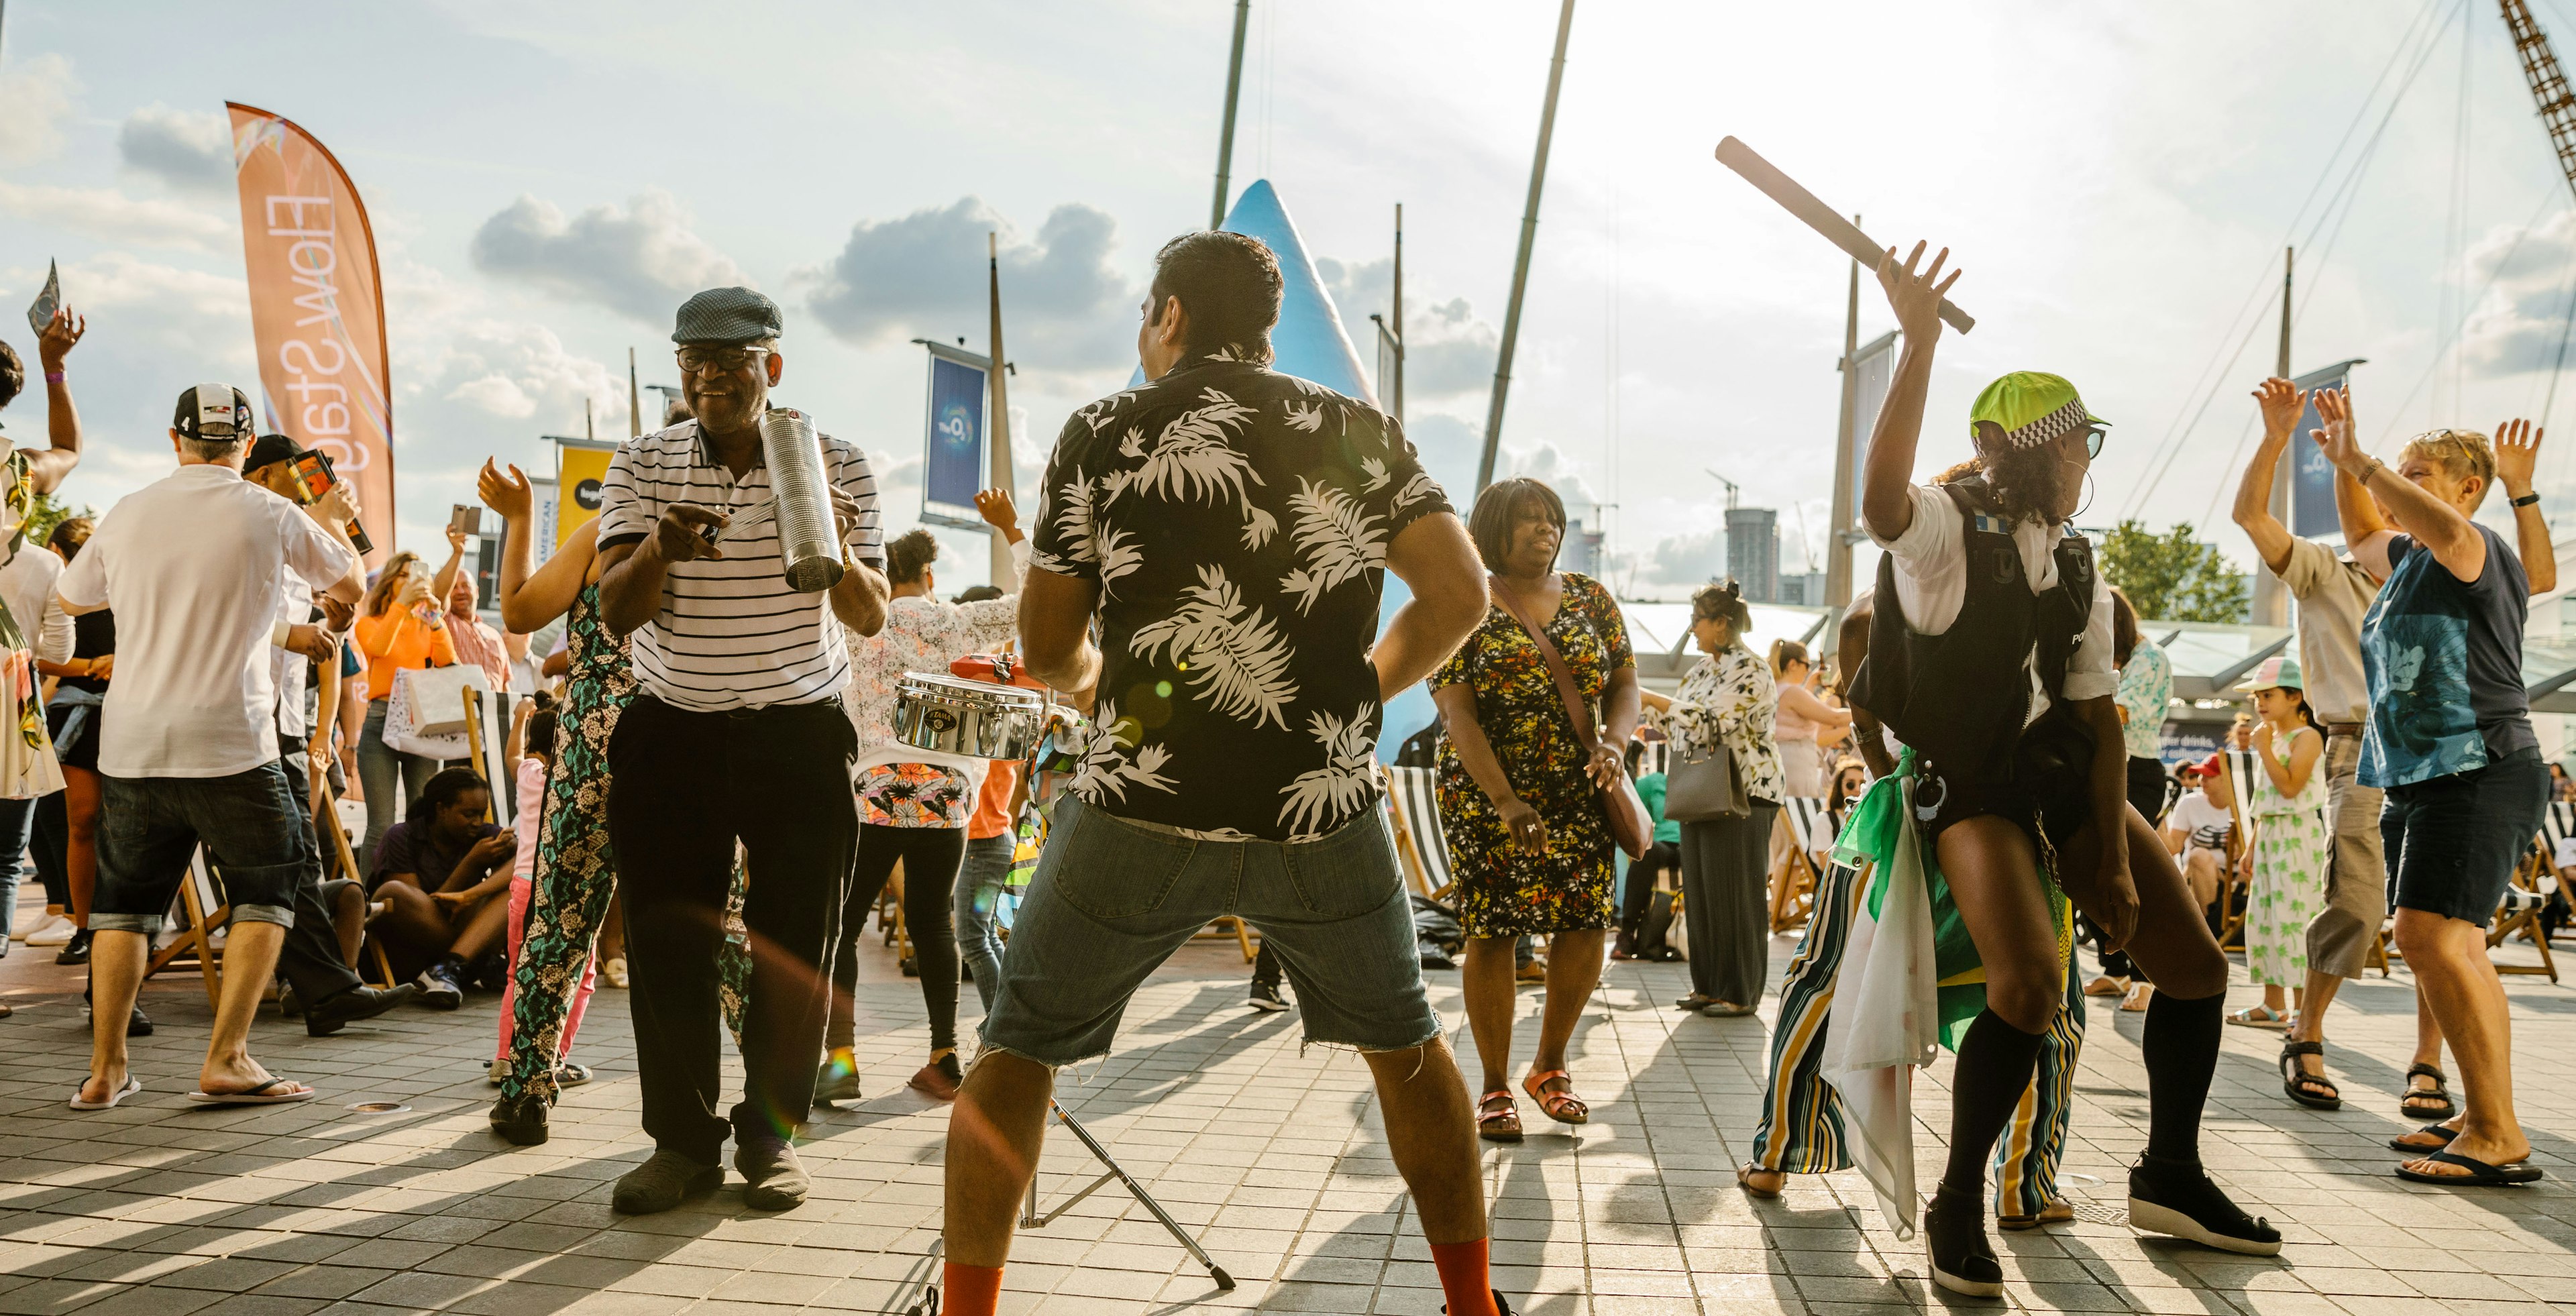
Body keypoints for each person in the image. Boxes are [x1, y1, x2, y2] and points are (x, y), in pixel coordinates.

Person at [943, 229, 1509, 1316]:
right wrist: (1354, 695)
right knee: (1404, 1045)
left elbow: (1051, 642)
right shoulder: (1355, 426)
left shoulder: (1105, 431)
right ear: (1263, 324)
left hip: (1139, 807)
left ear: (1168, 316)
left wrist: (1102, 680)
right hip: (1322, 806)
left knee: (1016, 1052)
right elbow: (1459, 596)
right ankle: (1472, 1305)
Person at [1847, 245, 2273, 1294]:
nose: (2090, 456)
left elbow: (2100, 716)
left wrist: (2117, 859)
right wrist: (1918, 344)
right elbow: (1881, 499)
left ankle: (2169, 1174)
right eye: (2080, 439)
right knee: (2031, 986)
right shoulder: (1946, 531)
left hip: (2057, 775)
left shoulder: (2078, 558)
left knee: (2198, 968)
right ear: (2041, 447)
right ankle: (1957, 1201)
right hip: (1969, 786)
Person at [592, 286, 888, 1215]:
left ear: (774, 364)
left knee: (796, 942)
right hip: (673, 725)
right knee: (669, 939)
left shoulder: (833, 460)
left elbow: (870, 616)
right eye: (694, 362)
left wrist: (833, 538)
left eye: (731, 361)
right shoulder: (644, 463)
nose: (710, 378)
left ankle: (771, 1139)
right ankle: (681, 1143)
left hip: (798, 728)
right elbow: (613, 611)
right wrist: (662, 551)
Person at [1741, 592, 2089, 1232]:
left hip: (1907, 808)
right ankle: (2024, 1184)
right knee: (2049, 996)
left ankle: (1779, 1151)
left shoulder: (1883, 605)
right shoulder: (2038, 596)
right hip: (2011, 818)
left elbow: (1863, 707)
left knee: (1824, 978)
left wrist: (1893, 780)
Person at [60, 382, 364, 1111]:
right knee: (267, 889)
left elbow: (73, 596)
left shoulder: (130, 510)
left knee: (123, 909)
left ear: (176, 440)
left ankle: (106, 1072)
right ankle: (227, 1056)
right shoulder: (269, 510)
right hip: (234, 739)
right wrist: (336, 520)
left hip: (133, 739)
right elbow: (349, 578)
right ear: (248, 447)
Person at [2313, 390, 2554, 1186]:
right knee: (2449, 946)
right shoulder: (2412, 561)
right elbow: (2358, 532)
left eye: (2418, 474)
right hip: (2427, 776)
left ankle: (2496, 1132)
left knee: (2430, 937)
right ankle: (2487, 1114)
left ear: (2463, 488)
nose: (2396, 487)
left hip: (2477, 767)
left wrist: (2364, 462)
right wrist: (2344, 467)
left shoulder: (2469, 542)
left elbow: (2445, 529)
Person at [476, 459, 751, 1144]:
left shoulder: (603, 535)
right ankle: (770, 1106)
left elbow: (517, 612)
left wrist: (516, 521)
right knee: (730, 927)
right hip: (699, 746)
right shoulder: (744, 541)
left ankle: (526, 1093)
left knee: (563, 918)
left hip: (598, 749)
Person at [1430, 476, 1636, 1142]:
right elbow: (1457, 712)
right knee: (1493, 930)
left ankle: (1549, 1068)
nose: (1545, 529)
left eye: (1551, 519)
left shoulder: (1591, 598)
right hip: (1485, 790)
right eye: (1528, 520)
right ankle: (1493, 1084)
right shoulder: (1463, 599)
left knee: (1582, 922)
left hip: (1581, 787)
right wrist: (1505, 799)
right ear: (1492, 529)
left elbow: (1626, 682)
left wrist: (1614, 741)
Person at [826, 500, 1025, 1104]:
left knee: (843, 925)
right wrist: (1014, 533)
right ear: (929, 575)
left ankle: (841, 1063)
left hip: (874, 790)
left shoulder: (855, 622)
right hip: (949, 795)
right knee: (935, 923)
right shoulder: (956, 623)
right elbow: (1030, 604)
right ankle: (944, 1056)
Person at [240, 434, 419, 1034]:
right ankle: (327, 989)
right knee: (286, 856)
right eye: (302, 474)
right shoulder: (258, 521)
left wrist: (325, 623)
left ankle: (325, 990)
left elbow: (337, 600)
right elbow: (346, 583)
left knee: (296, 856)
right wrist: (330, 522)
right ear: (266, 473)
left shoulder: (289, 525)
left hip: (280, 715)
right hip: (246, 715)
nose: (312, 484)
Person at [1639, 580, 1782, 1020]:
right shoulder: (1701, 671)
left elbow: (1712, 724)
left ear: (1721, 624)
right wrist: (1640, 703)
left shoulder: (1752, 670)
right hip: (1702, 787)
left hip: (1746, 793)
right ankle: (1708, 986)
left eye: (1696, 621)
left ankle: (1738, 992)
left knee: (1736, 894)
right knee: (1700, 891)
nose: (1691, 630)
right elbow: (1681, 725)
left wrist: (1651, 698)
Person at [490, 701, 592, 1089]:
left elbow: (513, 754)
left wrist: (519, 719)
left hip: (523, 884)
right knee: (579, 975)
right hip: (566, 885)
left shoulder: (530, 773)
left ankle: (506, 1057)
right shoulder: (577, 776)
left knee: (519, 971)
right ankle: (555, 1058)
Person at [2227, 657, 2326, 1033]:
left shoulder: (2308, 737)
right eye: (2257, 696)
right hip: (2269, 836)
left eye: (2268, 695)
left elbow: (2290, 787)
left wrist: (2264, 749)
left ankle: (2303, 1011)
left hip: (2298, 837)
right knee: (2265, 919)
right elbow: (2267, 801)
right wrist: (2251, 847)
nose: (2260, 703)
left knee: (2295, 918)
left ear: (2295, 697)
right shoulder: (2275, 737)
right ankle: (2273, 1004)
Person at [368, 767, 517, 1005]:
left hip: (452, 952)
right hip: (409, 951)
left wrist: (472, 894)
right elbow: (423, 909)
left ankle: (453, 964)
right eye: (468, 814)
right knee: (393, 892)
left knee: (516, 884)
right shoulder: (401, 837)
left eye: (482, 814)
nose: (477, 822)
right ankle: (475, 960)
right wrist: (471, 864)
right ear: (441, 809)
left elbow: (528, 860)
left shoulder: (484, 836)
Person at [32, 517, 108, 970]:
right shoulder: (64, 595)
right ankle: (83, 927)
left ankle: (133, 926)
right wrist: (95, 666)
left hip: (133, 709)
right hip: (79, 712)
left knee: (134, 829)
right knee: (81, 819)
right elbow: (41, 653)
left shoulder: (129, 585)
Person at [352, 549, 458, 863]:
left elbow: (448, 660)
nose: (412, 581)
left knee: (422, 821)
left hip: (422, 721)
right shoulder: (370, 622)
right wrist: (402, 606)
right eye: (404, 575)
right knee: (381, 825)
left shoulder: (426, 620)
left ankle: (415, 891)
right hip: (380, 721)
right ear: (390, 581)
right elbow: (379, 647)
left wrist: (435, 617)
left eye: (417, 574)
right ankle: (369, 902)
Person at [1611, 741, 1682, 962]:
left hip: (1692, 843)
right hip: (1664, 843)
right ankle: (1626, 933)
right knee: (1647, 854)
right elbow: (1634, 812)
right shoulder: (1653, 782)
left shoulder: (1701, 780)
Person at [1768, 639, 1850, 798]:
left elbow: (1794, 715)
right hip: (1795, 762)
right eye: (1807, 665)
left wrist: (1809, 685)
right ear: (1793, 665)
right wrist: (1867, 714)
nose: (1808, 670)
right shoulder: (1792, 692)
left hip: (1781, 758)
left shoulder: (1774, 689)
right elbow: (1834, 717)